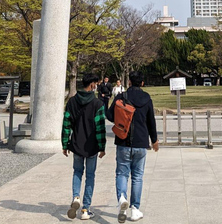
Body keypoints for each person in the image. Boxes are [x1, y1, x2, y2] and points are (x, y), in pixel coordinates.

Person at [107, 71, 159, 223]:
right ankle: (135, 209)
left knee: (122, 173)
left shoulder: (121, 97)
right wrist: (154, 140)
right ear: (142, 83)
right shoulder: (147, 98)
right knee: (137, 176)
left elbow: (109, 115)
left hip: (123, 141)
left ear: (129, 82)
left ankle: (122, 198)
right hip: (141, 142)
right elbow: (151, 121)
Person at [62, 73, 106, 220]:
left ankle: (76, 197)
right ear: (92, 84)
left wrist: (65, 144)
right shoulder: (97, 104)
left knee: (77, 172)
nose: (97, 86)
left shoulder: (72, 102)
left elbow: (66, 124)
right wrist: (102, 146)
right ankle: (86, 209)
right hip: (92, 145)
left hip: (76, 143)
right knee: (90, 176)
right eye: (97, 83)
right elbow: (100, 127)